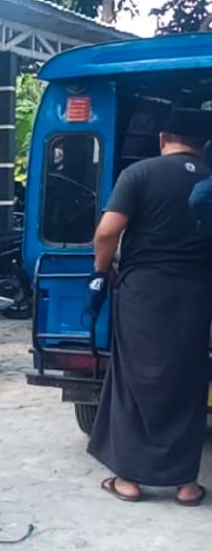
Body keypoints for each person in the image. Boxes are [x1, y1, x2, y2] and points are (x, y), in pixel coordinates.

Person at [87, 107, 212, 506]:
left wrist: (101, 270)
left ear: (163, 139)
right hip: (196, 293)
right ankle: (186, 485)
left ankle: (129, 480)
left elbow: (108, 231)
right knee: (188, 381)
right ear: (203, 146)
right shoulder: (210, 180)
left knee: (134, 380)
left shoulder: (139, 174)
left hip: (144, 291)